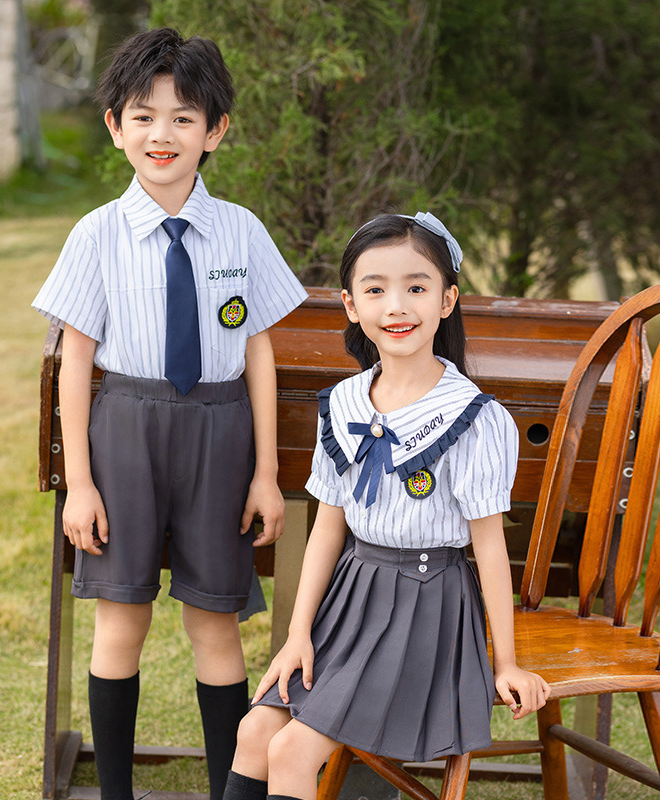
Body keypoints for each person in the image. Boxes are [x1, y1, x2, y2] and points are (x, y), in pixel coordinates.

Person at [32, 28, 307, 800]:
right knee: (121, 617)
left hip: (219, 435)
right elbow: (77, 361)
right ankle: (113, 792)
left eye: (184, 117)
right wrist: (80, 484)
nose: (164, 134)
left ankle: (234, 786)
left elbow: (257, 351)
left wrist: (266, 472)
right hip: (124, 433)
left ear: (215, 131)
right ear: (117, 127)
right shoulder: (97, 234)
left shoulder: (241, 231)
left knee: (214, 621)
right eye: (144, 116)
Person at [222, 213, 551, 800]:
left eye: (416, 287)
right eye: (375, 289)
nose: (396, 306)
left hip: (426, 608)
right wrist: (298, 633)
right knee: (254, 733)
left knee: (293, 751)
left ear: (447, 300)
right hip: (350, 598)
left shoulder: (473, 418)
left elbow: (490, 547)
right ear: (351, 305)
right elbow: (328, 529)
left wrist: (506, 661)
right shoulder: (345, 402)